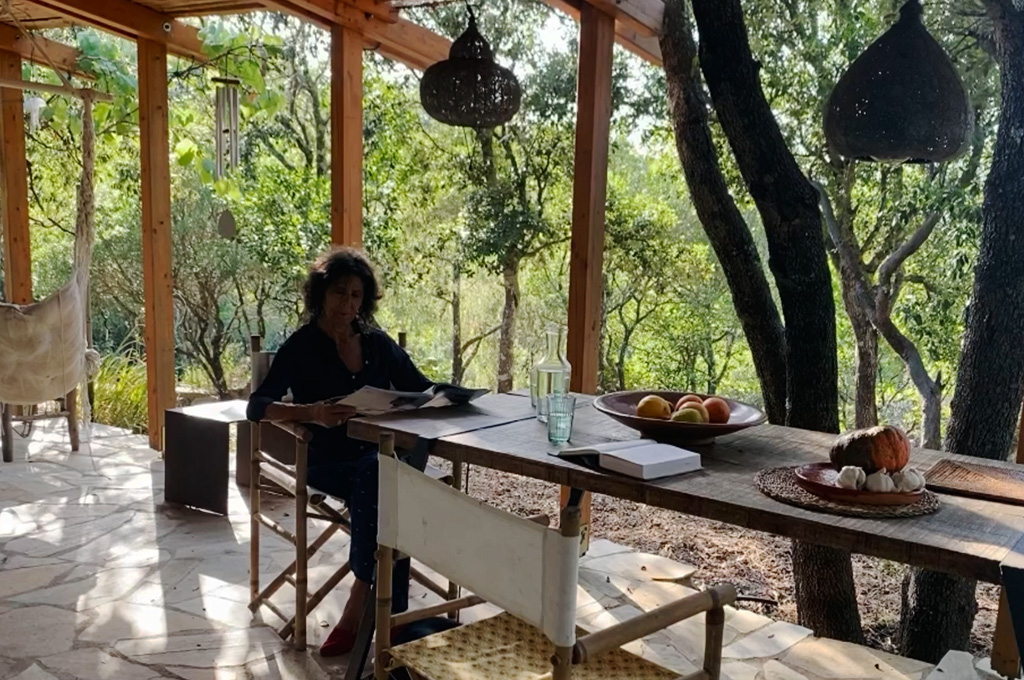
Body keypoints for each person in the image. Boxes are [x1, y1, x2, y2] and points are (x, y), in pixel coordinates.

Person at [247, 247, 434, 657]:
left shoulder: (377, 344)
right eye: (339, 293)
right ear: (320, 294)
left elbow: (422, 388)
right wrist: (311, 412)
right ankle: (378, 614)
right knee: (388, 479)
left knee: (389, 477)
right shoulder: (301, 346)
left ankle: (369, 603)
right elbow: (257, 406)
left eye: (355, 295)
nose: (347, 304)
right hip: (326, 462)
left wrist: (447, 396)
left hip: (380, 461)